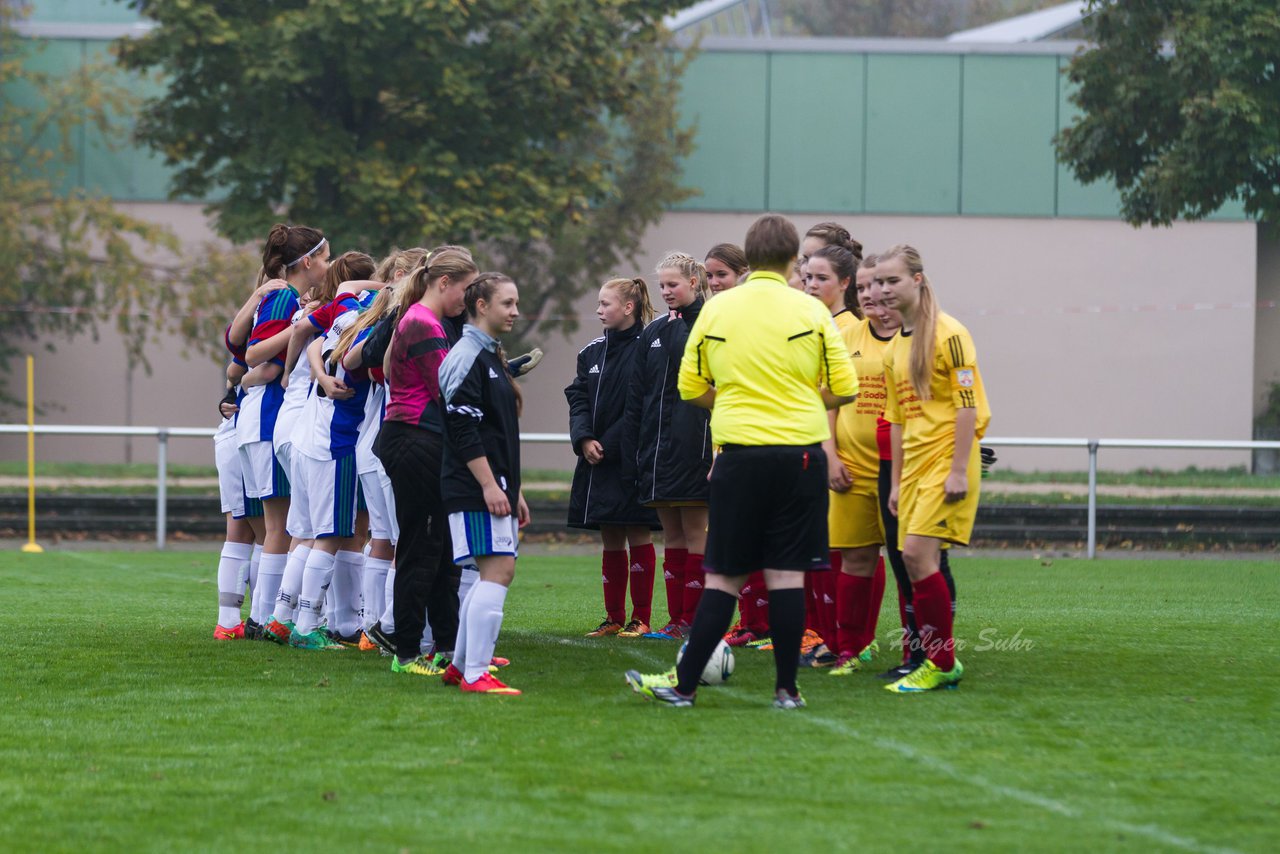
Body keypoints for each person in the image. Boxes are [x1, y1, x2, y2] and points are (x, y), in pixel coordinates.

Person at [625, 213, 859, 709]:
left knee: (724, 577)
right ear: (793, 258)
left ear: (749, 258)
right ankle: (787, 690)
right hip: (799, 456)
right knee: (787, 575)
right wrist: (797, 400)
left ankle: (684, 687)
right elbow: (845, 387)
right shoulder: (812, 311)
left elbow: (690, 387)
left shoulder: (718, 311)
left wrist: (731, 403)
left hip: (740, 455)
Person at [879, 244, 990, 693]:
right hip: (916, 470)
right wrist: (898, 481)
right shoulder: (896, 347)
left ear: (918, 280)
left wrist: (959, 470)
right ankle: (940, 662)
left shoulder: (950, 333)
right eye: (880, 282)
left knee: (918, 558)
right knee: (913, 559)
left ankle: (940, 663)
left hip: (947, 461)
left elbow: (968, 408)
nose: (884, 289)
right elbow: (899, 420)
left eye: (893, 281)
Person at [376, 247, 478, 676]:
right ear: (443, 283)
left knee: (443, 550)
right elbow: (449, 388)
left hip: (425, 440)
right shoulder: (421, 321)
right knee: (421, 547)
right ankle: (406, 652)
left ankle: (446, 647)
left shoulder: (426, 320)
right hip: (414, 440)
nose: (469, 301)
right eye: (467, 290)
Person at [438, 273, 530, 695]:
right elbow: (462, 430)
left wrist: (514, 491)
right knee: (498, 570)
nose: (514, 312)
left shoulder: (489, 354)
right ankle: (476, 673)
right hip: (475, 487)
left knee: (490, 572)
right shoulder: (466, 357)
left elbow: (496, 434)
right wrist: (490, 486)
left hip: (495, 486)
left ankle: (461, 666)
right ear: (481, 306)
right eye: (507, 304)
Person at [238, 224, 329, 636]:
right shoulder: (285, 296)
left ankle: (263, 615)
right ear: (307, 261)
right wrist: (300, 328)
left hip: (258, 417)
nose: (328, 265)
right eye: (325, 258)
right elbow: (253, 352)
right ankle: (263, 618)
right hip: (268, 415)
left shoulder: (280, 294)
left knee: (276, 526)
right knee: (281, 527)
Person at [621, 252, 713, 641]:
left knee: (697, 534)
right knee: (671, 536)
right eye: (661, 285)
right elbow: (637, 393)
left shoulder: (711, 323)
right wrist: (635, 448)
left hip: (695, 448)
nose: (666, 292)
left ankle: (695, 620)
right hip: (657, 452)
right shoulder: (653, 331)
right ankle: (675, 621)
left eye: (673, 284)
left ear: (694, 282)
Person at [566, 277, 661, 638]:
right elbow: (578, 397)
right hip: (596, 458)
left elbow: (644, 405)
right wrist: (584, 437)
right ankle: (613, 617)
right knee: (609, 535)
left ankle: (641, 618)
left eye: (605, 304)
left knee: (638, 532)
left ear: (628, 307)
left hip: (631, 459)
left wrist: (611, 441)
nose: (598, 310)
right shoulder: (590, 352)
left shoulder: (649, 347)